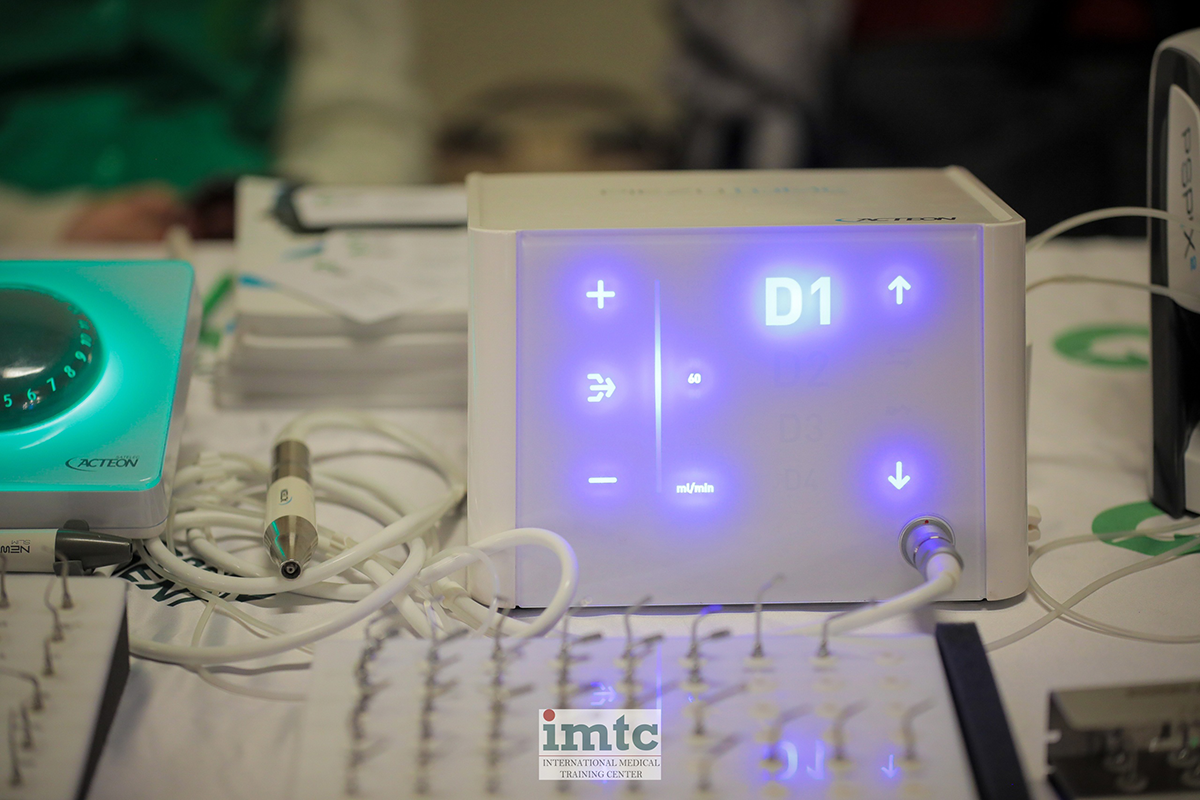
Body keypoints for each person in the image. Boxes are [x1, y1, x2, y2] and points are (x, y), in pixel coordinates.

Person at [0, 0, 429, 244]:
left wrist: (299, 205)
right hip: (20, 248)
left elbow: (365, 110)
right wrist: (42, 226)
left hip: (247, 241)